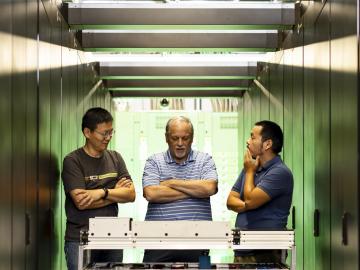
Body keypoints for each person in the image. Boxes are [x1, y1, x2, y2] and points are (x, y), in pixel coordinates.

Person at [61, 107, 136, 270]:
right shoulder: (73, 161)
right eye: (104, 133)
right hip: (80, 238)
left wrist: (101, 192)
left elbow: (131, 194)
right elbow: (81, 202)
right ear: (87, 132)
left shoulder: (115, 158)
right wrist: (115, 194)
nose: (108, 137)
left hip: (113, 238)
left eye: (111, 132)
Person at [142, 116, 218, 263]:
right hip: (157, 243)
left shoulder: (205, 160)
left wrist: (171, 182)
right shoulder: (154, 161)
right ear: (166, 138)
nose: (180, 144)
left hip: (199, 242)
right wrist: (195, 191)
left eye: (185, 138)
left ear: (192, 138)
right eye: (175, 138)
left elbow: (210, 188)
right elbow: (151, 193)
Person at [227, 120, 293, 264]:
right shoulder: (250, 167)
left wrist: (250, 172)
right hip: (242, 249)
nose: (248, 141)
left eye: (252, 137)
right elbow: (230, 200)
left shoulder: (279, 172)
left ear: (267, 144)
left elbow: (250, 200)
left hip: (265, 252)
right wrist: (247, 205)